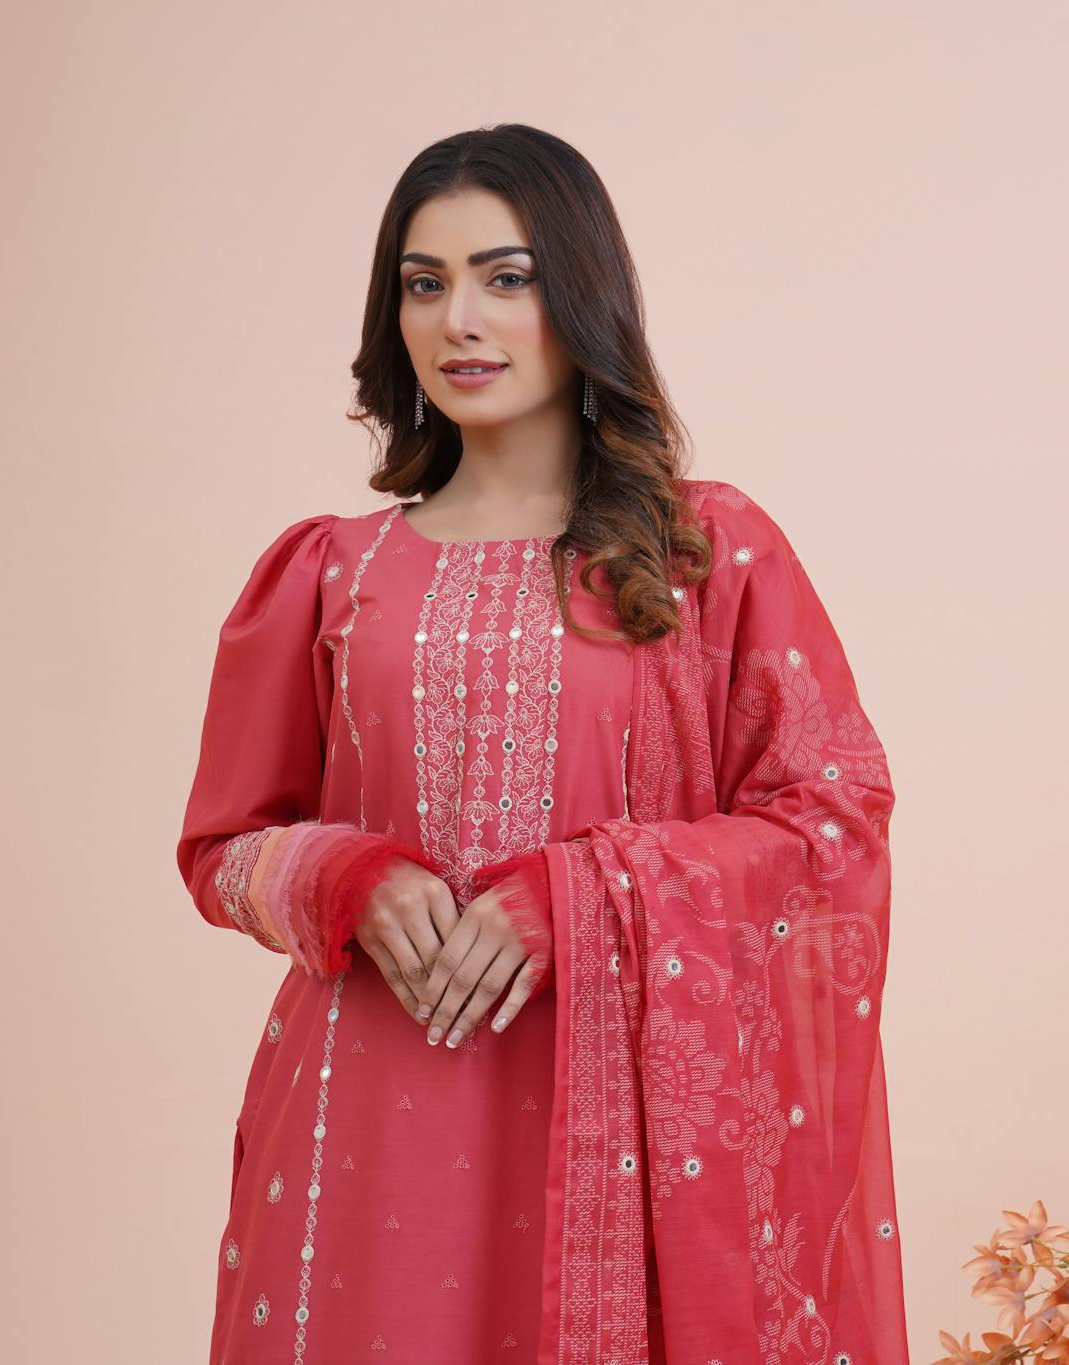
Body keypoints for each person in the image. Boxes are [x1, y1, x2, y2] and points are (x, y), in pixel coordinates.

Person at [176, 124, 907, 1365]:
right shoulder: (328, 574)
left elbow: (828, 819)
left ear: (580, 296)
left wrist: (585, 896)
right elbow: (223, 848)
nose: (460, 318)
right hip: (362, 1128)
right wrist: (341, 875)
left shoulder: (700, 556)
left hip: (621, 1136)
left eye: (505, 278)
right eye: (425, 282)